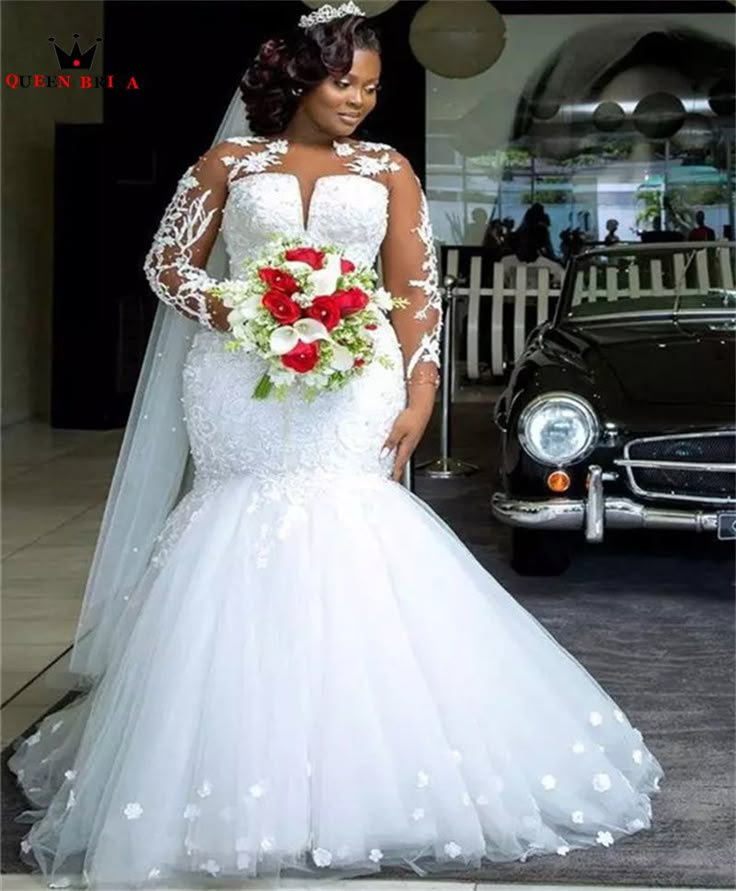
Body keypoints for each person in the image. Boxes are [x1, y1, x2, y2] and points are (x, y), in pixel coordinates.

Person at [7, 3, 663, 888]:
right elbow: (169, 268)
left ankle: (361, 764)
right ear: (296, 78)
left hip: (355, 384)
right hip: (239, 379)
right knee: (232, 537)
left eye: (372, 87)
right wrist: (249, 306)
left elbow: (413, 289)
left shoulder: (386, 168)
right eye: (343, 82)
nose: (359, 99)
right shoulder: (229, 164)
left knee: (355, 531)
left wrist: (423, 389)